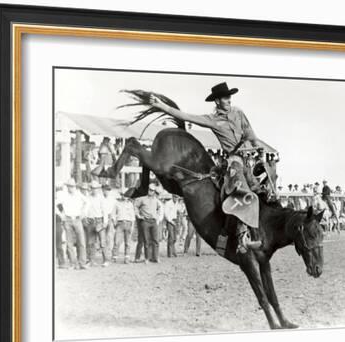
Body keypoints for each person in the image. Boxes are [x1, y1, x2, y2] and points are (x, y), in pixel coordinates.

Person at [150, 82, 262, 253]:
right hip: (234, 163)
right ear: (217, 101)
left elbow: (250, 134)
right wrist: (161, 106)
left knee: (263, 191)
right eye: (225, 97)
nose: (229, 100)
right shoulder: (213, 120)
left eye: (229, 96)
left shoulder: (238, 112)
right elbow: (185, 116)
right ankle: (242, 239)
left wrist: (258, 149)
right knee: (243, 194)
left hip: (249, 161)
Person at [60, 178, 87, 269]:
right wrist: (61, 215)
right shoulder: (64, 196)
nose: (70, 188)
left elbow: (87, 202)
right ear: (67, 187)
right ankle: (73, 263)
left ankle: (82, 263)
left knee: (81, 242)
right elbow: (55, 203)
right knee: (69, 243)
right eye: (69, 186)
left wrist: (83, 213)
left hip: (77, 219)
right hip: (67, 220)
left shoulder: (79, 195)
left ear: (75, 187)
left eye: (72, 186)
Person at [134, 184, 163, 263]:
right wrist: (139, 215)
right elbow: (135, 206)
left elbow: (160, 208)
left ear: (154, 191)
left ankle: (156, 257)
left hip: (153, 221)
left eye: (153, 190)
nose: (151, 191)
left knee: (156, 240)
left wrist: (157, 216)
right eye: (150, 190)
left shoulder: (156, 200)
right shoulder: (142, 199)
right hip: (145, 221)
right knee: (146, 240)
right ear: (148, 190)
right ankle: (147, 258)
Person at [112, 193, 135, 264]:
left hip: (128, 223)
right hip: (120, 223)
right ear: (121, 195)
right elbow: (113, 214)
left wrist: (132, 226)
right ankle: (114, 257)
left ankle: (127, 258)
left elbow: (133, 216)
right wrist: (114, 222)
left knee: (127, 242)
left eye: (126, 196)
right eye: (124, 195)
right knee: (116, 241)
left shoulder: (130, 204)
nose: (125, 197)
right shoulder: (117, 203)